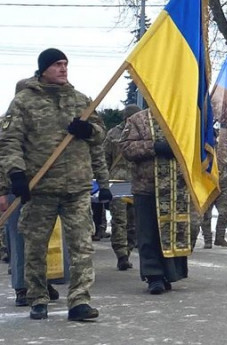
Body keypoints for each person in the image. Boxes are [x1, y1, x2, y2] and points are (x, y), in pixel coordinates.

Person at [0, 48, 110, 321]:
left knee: (82, 246)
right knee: (35, 246)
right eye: (57, 64)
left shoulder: (80, 100)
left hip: (77, 187)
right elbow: (9, 141)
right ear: (44, 69)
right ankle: (38, 297)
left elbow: (99, 135)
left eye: (65, 64)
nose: (63, 68)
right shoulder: (23, 102)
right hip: (40, 188)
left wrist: (89, 130)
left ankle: (79, 301)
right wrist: (16, 174)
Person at [1, 78, 67, 308]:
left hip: (45, 188)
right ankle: (22, 286)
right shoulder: (8, 122)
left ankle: (43, 282)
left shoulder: (44, 122)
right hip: (16, 188)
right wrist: (2, 191)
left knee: (45, 240)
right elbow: (4, 158)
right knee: (20, 240)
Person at [120, 108, 198, 294]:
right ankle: (153, 275)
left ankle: (170, 273)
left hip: (177, 188)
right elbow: (126, 148)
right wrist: (154, 147)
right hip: (147, 187)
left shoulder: (184, 116)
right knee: (149, 233)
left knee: (173, 233)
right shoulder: (138, 119)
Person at [103, 104, 141, 270]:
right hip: (118, 183)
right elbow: (105, 159)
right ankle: (121, 255)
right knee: (119, 220)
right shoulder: (113, 134)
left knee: (134, 221)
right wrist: (104, 182)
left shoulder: (142, 133)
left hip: (136, 182)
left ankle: (129, 249)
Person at [199, 140, 227, 249]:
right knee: (205, 215)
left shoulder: (225, 155)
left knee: (223, 213)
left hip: (222, 189)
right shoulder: (203, 154)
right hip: (207, 188)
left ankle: (220, 237)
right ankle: (207, 240)